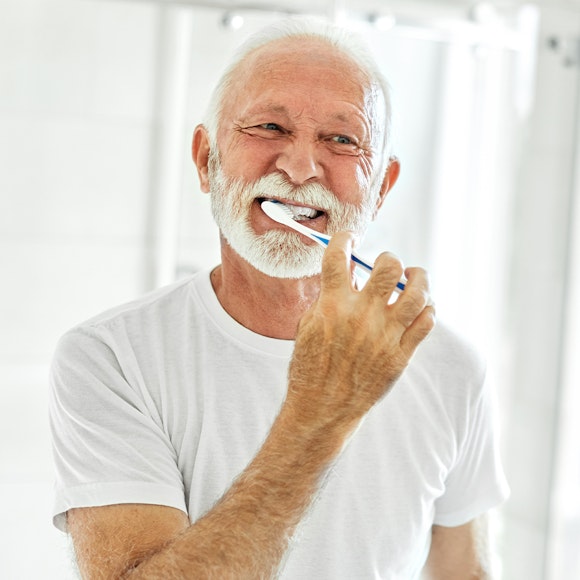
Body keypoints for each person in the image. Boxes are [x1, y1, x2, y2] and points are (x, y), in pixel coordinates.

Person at [49, 18, 509, 579]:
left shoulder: (450, 366)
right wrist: (322, 412)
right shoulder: (110, 360)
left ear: (381, 188)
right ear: (206, 161)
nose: (299, 168)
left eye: (341, 139)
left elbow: (468, 571)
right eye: (268, 126)